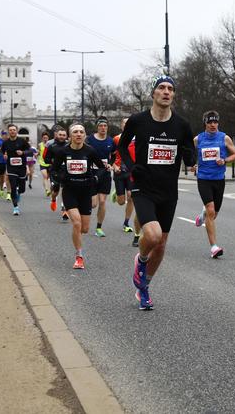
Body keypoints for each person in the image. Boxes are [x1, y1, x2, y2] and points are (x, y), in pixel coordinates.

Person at [118, 75, 196, 310]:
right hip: (143, 187)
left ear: (173, 96)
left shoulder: (181, 125)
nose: (166, 92)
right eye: (161, 88)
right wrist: (131, 167)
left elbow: (189, 151)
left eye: (170, 89)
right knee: (151, 236)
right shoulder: (138, 120)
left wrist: (190, 158)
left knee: (161, 246)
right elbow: (122, 145)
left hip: (168, 190)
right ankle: (141, 261)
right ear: (153, 93)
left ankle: (144, 289)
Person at [48, 124, 107, 269]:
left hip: (86, 191)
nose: (79, 134)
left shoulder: (90, 151)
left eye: (81, 132)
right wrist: (62, 178)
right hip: (69, 191)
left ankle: (77, 237)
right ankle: (79, 256)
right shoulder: (63, 151)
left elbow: (101, 168)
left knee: (85, 229)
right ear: (70, 136)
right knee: (76, 223)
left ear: (85, 135)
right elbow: (54, 170)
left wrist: (95, 179)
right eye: (75, 132)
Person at [192, 110, 235, 258]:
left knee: (213, 214)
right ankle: (214, 247)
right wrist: (192, 164)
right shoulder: (198, 139)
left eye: (215, 122)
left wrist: (225, 160)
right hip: (204, 179)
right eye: (209, 122)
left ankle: (202, 215)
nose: (213, 125)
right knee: (211, 211)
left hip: (219, 180)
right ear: (205, 123)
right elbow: (187, 152)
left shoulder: (224, 138)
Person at [112, 117, 141, 246]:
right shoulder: (116, 139)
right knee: (120, 201)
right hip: (119, 171)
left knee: (131, 197)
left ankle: (126, 222)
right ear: (122, 126)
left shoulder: (138, 138)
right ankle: (116, 194)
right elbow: (111, 155)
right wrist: (114, 165)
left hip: (131, 171)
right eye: (125, 123)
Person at [85, 116, 116, 237]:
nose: (103, 128)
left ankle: (98, 228)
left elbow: (114, 155)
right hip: (92, 173)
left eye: (105, 126)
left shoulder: (110, 141)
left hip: (105, 174)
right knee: (93, 204)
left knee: (102, 201)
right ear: (97, 127)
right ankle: (83, 213)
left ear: (107, 128)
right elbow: (85, 153)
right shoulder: (90, 139)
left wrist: (110, 164)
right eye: (101, 126)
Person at [1, 124, 35, 215]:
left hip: (21, 167)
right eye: (10, 130)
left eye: (14, 130)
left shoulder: (22, 141)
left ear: (16, 131)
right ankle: (15, 207)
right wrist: (4, 155)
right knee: (12, 187)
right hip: (11, 167)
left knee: (22, 189)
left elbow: (30, 151)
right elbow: (2, 151)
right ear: (8, 131)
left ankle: (18, 193)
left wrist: (23, 152)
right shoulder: (5, 142)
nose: (12, 131)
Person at [43, 128, 70, 220]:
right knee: (56, 191)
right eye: (60, 135)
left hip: (66, 170)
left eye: (63, 135)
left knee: (65, 190)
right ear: (56, 135)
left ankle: (64, 209)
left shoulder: (69, 145)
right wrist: (53, 161)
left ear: (66, 136)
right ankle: (53, 199)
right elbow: (45, 159)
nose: (62, 137)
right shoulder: (51, 146)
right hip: (55, 171)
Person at [38, 131, 52, 196]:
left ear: (48, 138)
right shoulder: (40, 145)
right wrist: (36, 154)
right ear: (42, 138)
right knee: (45, 176)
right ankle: (47, 190)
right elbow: (39, 152)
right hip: (42, 162)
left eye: (46, 138)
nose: (45, 139)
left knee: (47, 178)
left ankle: (46, 188)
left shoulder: (51, 145)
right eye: (44, 138)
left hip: (49, 163)